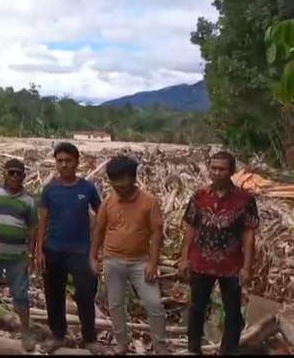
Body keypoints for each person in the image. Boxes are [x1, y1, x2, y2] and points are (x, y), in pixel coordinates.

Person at [179, 151, 259, 355]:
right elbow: (190, 228)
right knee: (197, 308)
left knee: (232, 313)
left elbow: (249, 235)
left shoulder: (245, 200)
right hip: (201, 262)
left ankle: (228, 351)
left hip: (231, 264)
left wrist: (247, 268)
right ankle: (193, 349)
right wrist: (184, 259)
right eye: (213, 168)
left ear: (231, 171)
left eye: (221, 169)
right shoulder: (200, 196)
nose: (216, 172)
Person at [90, 156, 167, 355]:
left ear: (133, 178)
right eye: (114, 180)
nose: (119, 185)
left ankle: (160, 346)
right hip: (112, 260)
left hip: (140, 263)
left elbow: (156, 234)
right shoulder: (108, 202)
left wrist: (153, 262)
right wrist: (93, 256)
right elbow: (98, 228)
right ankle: (122, 343)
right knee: (115, 304)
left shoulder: (149, 202)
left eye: (123, 179)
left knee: (154, 304)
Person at [34, 142, 104, 354]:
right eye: (60, 161)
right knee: (53, 294)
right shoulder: (49, 190)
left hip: (81, 251)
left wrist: (97, 248)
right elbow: (42, 221)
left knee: (85, 294)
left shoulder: (88, 188)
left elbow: (100, 217)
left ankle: (90, 339)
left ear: (77, 162)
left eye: (68, 161)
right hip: (53, 250)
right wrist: (38, 251)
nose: (63, 165)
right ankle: (58, 335)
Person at [0, 159, 38, 351]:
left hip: (17, 257)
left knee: (21, 295)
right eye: (11, 173)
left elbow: (32, 229)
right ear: (4, 173)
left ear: (23, 176)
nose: (14, 177)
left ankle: (26, 332)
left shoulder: (28, 202)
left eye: (18, 174)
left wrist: (31, 253)